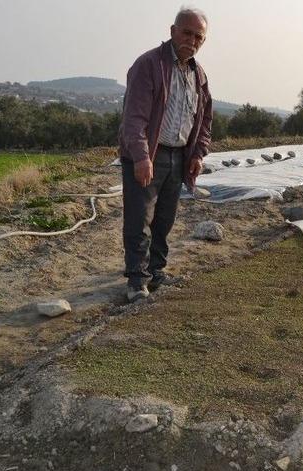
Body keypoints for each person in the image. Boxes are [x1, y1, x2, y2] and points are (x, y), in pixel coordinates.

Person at [119, 7, 213, 302]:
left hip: (179, 156)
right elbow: (134, 118)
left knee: (164, 220)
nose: (192, 40)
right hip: (150, 155)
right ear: (172, 31)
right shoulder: (149, 65)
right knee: (139, 218)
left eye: (199, 36)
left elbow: (205, 119)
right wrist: (141, 157)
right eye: (187, 32)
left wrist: (198, 153)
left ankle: (156, 271)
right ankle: (137, 279)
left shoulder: (198, 74)